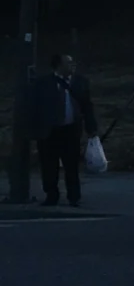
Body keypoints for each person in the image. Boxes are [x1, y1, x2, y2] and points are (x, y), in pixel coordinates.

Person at [25, 54, 97, 208]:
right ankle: (52, 195)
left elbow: (87, 106)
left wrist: (91, 127)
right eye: (68, 63)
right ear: (58, 65)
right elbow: (34, 107)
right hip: (49, 130)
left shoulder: (80, 82)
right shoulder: (43, 84)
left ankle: (74, 196)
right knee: (49, 166)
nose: (72, 66)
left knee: (71, 164)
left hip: (71, 129)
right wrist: (33, 129)